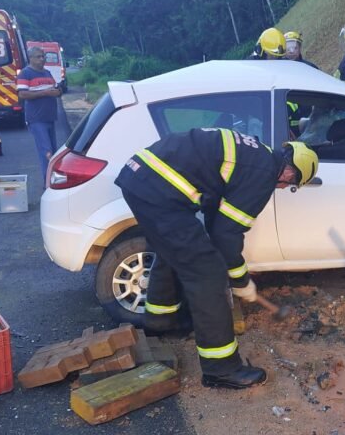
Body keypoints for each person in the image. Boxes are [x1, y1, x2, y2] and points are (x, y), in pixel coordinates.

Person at [115, 128, 318, 389]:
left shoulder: (256, 156)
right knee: (208, 274)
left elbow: (216, 216)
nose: (282, 188)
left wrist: (230, 265)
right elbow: (226, 234)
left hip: (140, 178)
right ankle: (221, 369)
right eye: (289, 185)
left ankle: (161, 322)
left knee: (173, 252)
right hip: (159, 193)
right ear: (290, 173)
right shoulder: (263, 175)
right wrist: (241, 281)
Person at [17, 46, 61, 184]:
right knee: (46, 152)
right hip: (36, 119)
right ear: (30, 58)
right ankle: (47, 183)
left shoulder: (47, 73)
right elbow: (22, 94)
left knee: (53, 151)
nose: (42, 59)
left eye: (43, 56)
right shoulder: (25, 73)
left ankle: (52, 179)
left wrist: (58, 92)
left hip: (50, 117)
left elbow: (56, 89)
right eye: (38, 57)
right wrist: (45, 93)